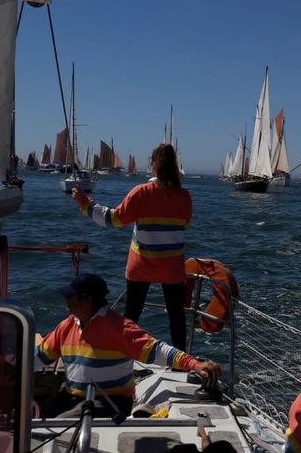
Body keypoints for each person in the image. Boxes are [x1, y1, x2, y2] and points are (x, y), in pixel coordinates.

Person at [35, 273, 221, 419]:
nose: (65, 299)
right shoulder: (66, 326)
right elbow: (41, 356)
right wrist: (11, 365)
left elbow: (157, 351)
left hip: (108, 402)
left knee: (63, 422)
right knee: (39, 417)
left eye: (70, 296)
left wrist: (194, 364)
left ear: (87, 301)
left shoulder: (119, 328)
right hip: (71, 396)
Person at [72, 143, 192, 349]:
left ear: (153, 164)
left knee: (133, 312)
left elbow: (114, 219)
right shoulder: (184, 197)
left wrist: (86, 203)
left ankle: (123, 356)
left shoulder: (141, 192)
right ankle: (181, 360)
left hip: (141, 265)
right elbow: (185, 223)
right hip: (172, 267)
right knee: (176, 315)